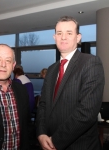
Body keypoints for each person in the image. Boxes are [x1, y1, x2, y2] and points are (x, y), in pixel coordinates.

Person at [36, 16, 105, 150]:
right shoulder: (51, 69)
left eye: (69, 33)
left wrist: (55, 141)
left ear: (78, 38)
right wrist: (41, 133)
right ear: (54, 37)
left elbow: (87, 112)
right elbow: (43, 105)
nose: (63, 37)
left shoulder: (91, 63)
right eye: (59, 33)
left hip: (79, 145)